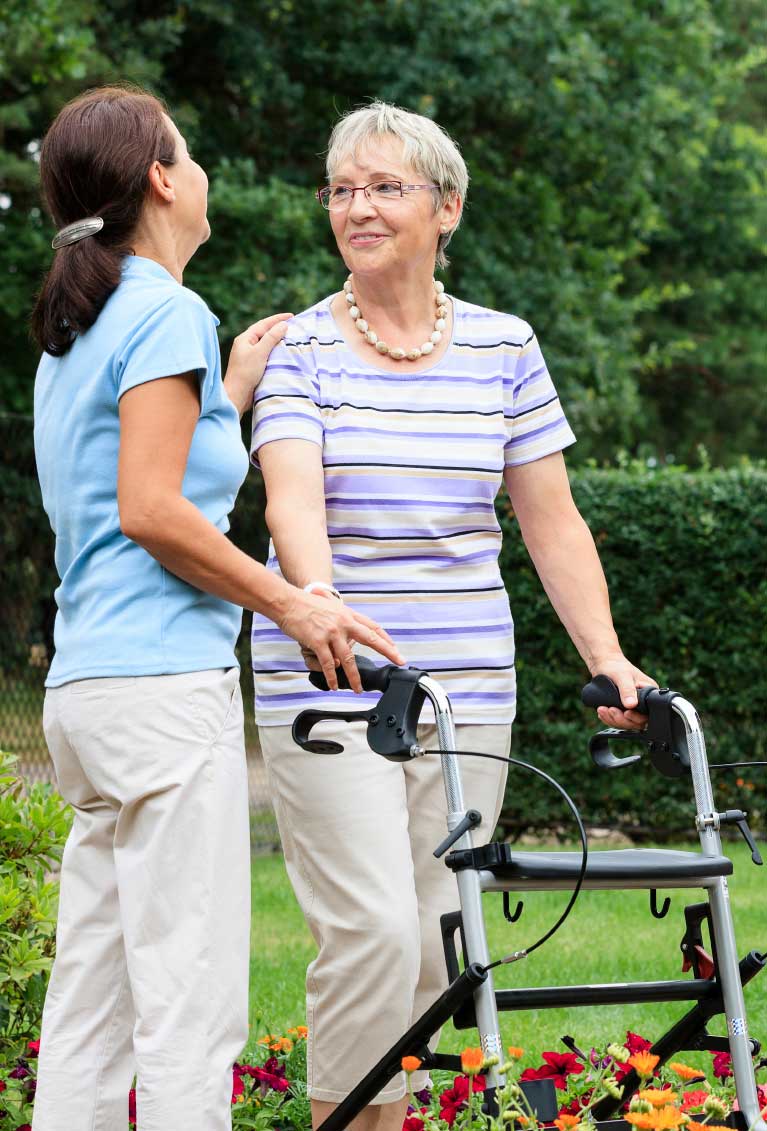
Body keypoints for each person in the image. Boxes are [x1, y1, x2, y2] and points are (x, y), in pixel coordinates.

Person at [249, 101, 655, 1131]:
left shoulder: (502, 347)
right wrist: (322, 606)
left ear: (447, 208)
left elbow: (549, 521)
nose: (358, 207)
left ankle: (404, 1117)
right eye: (342, 189)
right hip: (333, 682)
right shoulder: (299, 347)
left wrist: (607, 658)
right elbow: (290, 500)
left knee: (439, 934)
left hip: (469, 686)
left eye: (384, 187)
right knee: (373, 928)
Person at [30, 85, 404, 1131]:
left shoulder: (81, 329)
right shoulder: (162, 311)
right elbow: (153, 511)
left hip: (90, 696)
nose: (200, 172)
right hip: (160, 695)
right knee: (190, 1008)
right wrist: (291, 603)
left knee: (92, 1008)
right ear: (159, 177)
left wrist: (227, 391)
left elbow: (136, 483)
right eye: (187, 153)